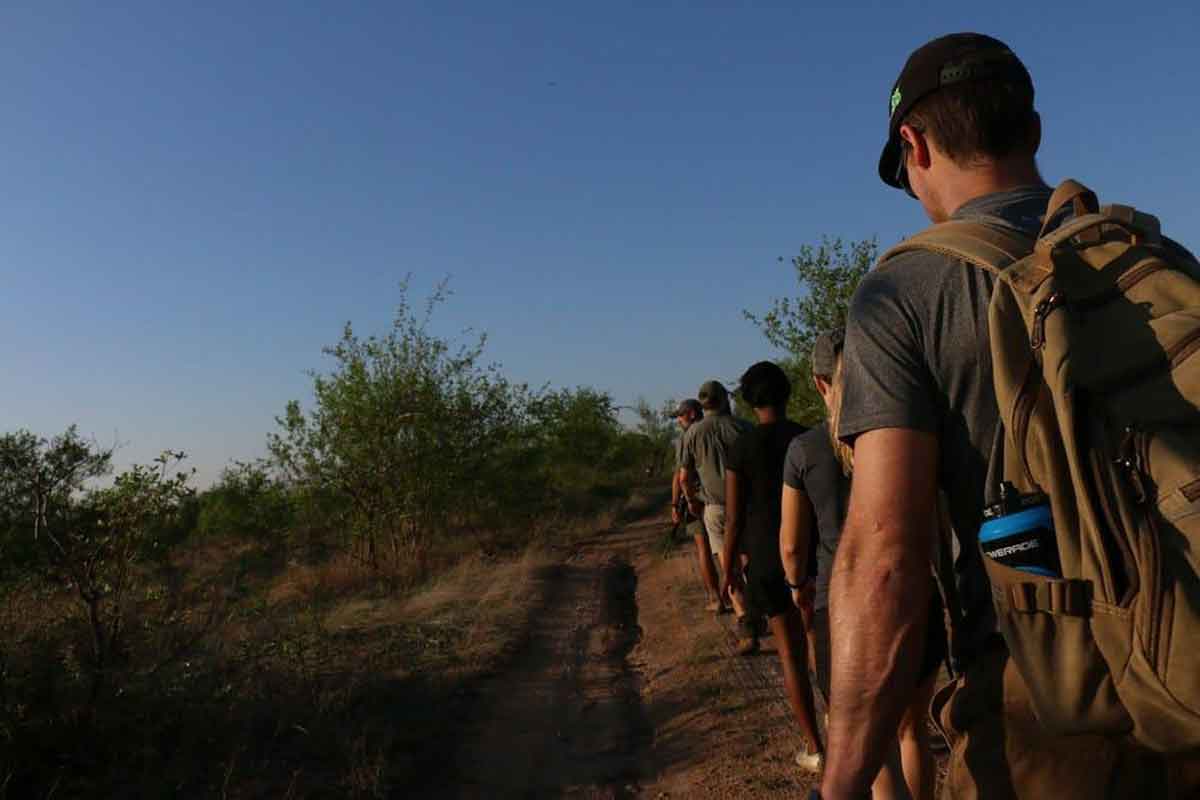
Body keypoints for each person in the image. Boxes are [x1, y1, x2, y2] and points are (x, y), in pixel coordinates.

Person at [819, 33, 1189, 800]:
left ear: (913, 147)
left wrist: (844, 777)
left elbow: (886, 560)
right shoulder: (1157, 257)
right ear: (1035, 130)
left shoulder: (904, 295)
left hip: (1047, 720)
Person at [783, 330, 941, 800]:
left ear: (819, 383)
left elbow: (791, 546)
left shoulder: (805, 449)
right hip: (918, 595)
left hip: (844, 609)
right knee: (914, 733)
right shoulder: (916, 434)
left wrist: (799, 588)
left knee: (877, 754)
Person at [720, 360, 823, 771]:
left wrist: (728, 569)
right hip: (811, 552)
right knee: (824, 647)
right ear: (788, 392)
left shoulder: (741, 448)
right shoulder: (809, 439)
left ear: (748, 400)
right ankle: (845, 732)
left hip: (764, 558)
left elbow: (733, 519)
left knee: (791, 656)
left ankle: (816, 748)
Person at [679, 379, 758, 653]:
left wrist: (691, 501)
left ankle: (746, 623)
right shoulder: (745, 427)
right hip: (750, 505)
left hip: (715, 508)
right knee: (750, 557)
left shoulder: (692, 434)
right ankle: (758, 608)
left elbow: (685, 476)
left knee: (728, 564)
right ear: (725, 399)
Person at [671, 397, 725, 612]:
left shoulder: (686, 437)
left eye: (680, 415)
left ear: (692, 413)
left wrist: (677, 503)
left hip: (697, 499)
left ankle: (716, 598)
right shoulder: (719, 429)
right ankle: (738, 594)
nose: (678, 421)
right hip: (722, 498)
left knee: (704, 548)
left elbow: (680, 476)